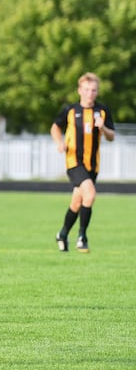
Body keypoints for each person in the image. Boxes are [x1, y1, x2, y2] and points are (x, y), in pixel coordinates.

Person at [51, 72, 115, 253]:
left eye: (94, 90)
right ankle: (82, 237)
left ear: (97, 92)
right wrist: (59, 143)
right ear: (80, 90)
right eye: (87, 89)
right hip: (74, 162)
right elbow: (55, 127)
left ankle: (62, 234)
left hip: (92, 165)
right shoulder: (70, 110)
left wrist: (102, 127)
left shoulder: (102, 111)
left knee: (78, 203)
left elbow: (112, 137)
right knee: (91, 194)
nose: (90, 93)